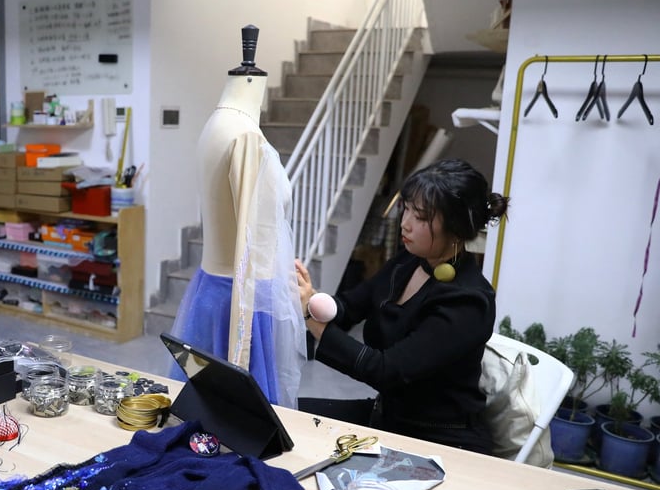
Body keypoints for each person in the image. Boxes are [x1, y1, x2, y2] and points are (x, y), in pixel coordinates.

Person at [295, 159, 509, 454]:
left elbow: (385, 370)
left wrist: (312, 319)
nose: (405, 223)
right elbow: (349, 306)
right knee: (286, 413)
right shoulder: (408, 262)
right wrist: (312, 298)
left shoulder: (469, 301)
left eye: (420, 217)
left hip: (439, 440)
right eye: (406, 208)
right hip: (388, 418)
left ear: (457, 228)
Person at [170, 25, 305, 408]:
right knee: (239, 418)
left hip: (211, 290)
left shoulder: (217, 123)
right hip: (239, 300)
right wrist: (243, 338)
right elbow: (251, 241)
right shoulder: (244, 135)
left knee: (208, 411)